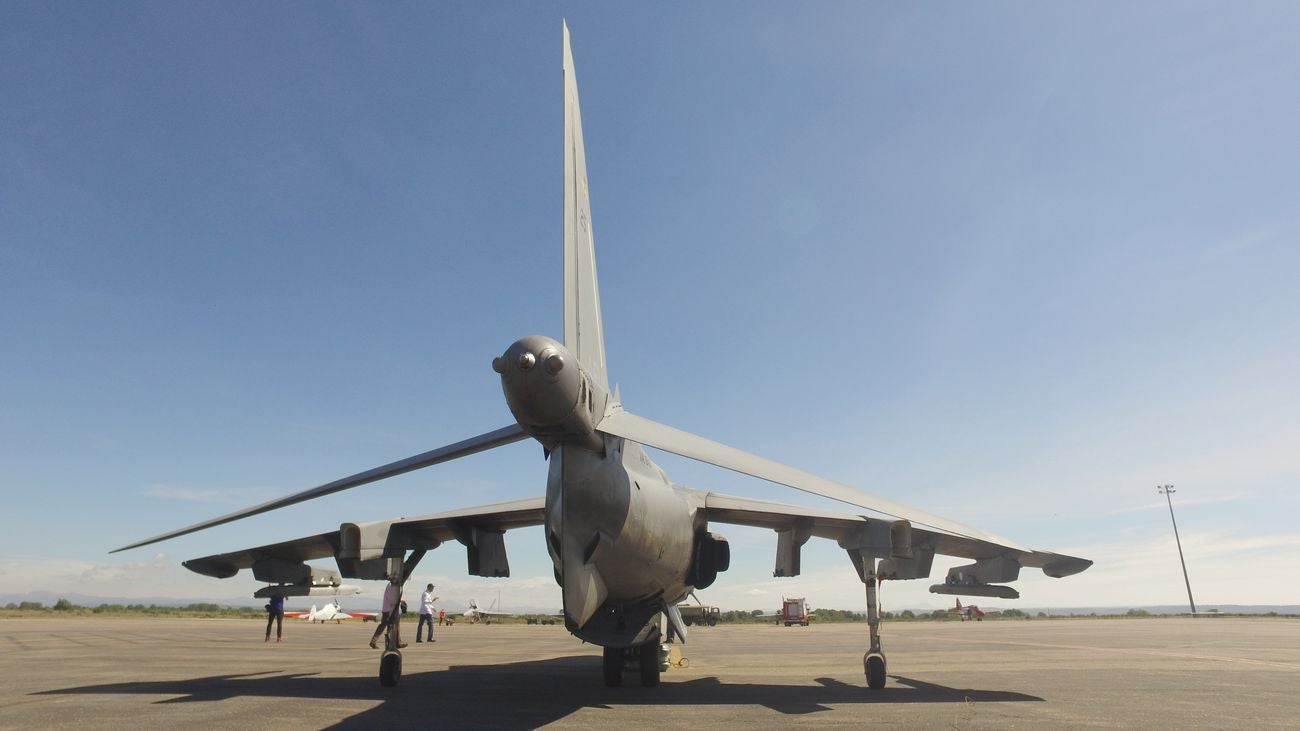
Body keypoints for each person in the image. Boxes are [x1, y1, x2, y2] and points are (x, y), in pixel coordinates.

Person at [369, 582, 406, 650]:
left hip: (392, 609)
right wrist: (401, 601)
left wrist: (402, 602)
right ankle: (376, 642)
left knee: (394, 625)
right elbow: (392, 597)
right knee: (388, 625)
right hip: (389, 609)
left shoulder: (396, 585)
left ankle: (397, 643)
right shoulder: (392, 585)